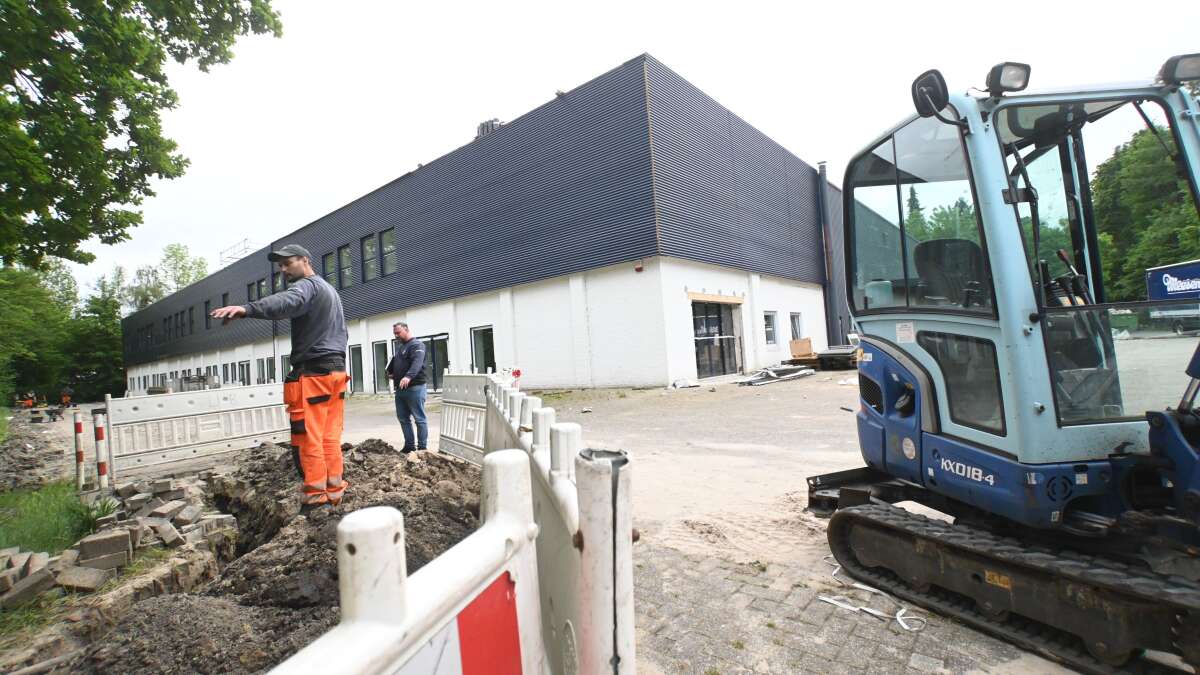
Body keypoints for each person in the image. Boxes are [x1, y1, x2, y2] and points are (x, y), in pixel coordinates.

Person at [210, 244, 350, 513]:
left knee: (308, 438)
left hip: (313, 374)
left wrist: (246, 308)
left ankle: (316, 500)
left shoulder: (307, 286)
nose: (284, 270)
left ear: (305, 261)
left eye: (288, 264)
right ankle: (334, 492)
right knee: (329, 437)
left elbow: (287, 301)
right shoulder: (330, 291)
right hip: (336, 371)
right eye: (281, 266)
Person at [386, 322, 428, 452]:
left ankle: (422, 449)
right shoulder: (401, 348)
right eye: (394, 333)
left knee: (419, 419)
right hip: (401, 389)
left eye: (398, 333)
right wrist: (393, 373)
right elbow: (397, 363)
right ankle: (409, 446)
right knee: (403, 418)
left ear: (406, 330)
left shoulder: (417, 345)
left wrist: (408, 376)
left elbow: (417, 362)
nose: (396, 335)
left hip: (415, 387)